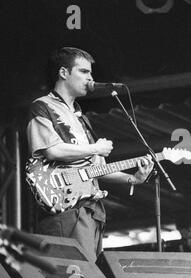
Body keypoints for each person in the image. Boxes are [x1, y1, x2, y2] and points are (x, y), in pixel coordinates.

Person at [26, 47, 154, 262]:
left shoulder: (81, 118)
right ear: (64, 73)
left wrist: (133, 178)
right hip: (65, 208)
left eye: (90, 73)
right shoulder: (42, 106)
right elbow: (52, 150)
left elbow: (96, 170)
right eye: (84, 71)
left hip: (91, 209)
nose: (90, 78)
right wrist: (95, 148)